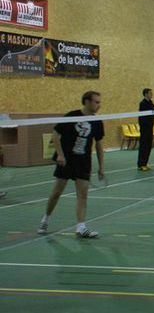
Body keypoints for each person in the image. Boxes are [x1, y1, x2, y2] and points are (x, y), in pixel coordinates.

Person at [38, 91, 106, 239]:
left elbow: (99, 145)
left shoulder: (97, 122)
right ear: (87, 102)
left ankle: (81, 227)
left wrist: (101, 166)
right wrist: (60, 154)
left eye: (99, 102)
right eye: (96, 102)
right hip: (67, 160)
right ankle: (45, 219)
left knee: (83, 195)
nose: (99, 105)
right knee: (56, 192)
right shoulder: (72, 116)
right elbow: (55, 135)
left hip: (83, 162)